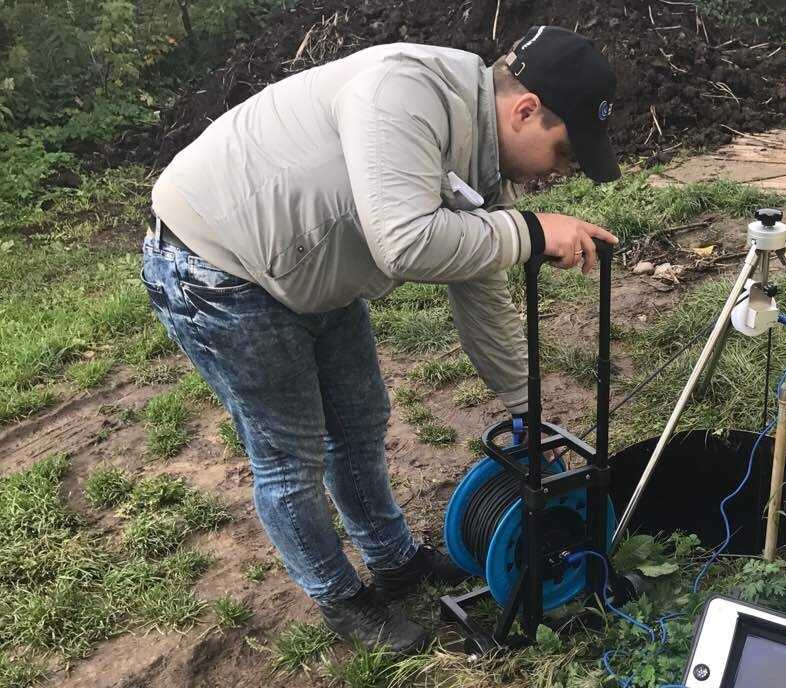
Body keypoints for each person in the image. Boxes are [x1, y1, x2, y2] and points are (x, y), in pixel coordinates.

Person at [141, 26, 620, 655]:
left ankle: (394, 562)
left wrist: (524, 412)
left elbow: (482, 287)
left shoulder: (481, 157)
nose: (559, 173)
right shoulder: (405, 91)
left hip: (307, 267)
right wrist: (530, 232)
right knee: (290, 457)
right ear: (525, 110)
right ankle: (339, 596)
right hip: (220, 267)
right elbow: (407, 241)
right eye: (562, 154)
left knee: (359, 421)